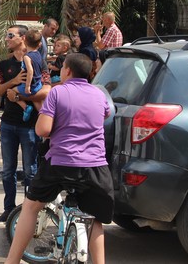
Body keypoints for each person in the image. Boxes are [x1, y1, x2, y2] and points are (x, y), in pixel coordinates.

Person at [6, 53, 114, 264]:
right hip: (96, 166)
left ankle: (11, 261)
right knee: (95, 220)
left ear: (68, 71)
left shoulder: (58, 93)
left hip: (60, 163)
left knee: (31, 207)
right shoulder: (99, 94)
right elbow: (106, 114)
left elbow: (43, 129)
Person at [0, 25, 51, 224]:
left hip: (30, 125)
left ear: (23, 38)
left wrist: (19, 94)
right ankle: (9, 209)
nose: (6, 39)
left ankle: (28, 213)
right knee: (8, 170)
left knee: (30, 171)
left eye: (10, 35)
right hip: (8, 123)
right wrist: (13, 81)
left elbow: (48, 90)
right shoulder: (5, 65)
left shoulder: (37, 61)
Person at [14, 29, 44, 122]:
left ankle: (25, 107)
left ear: (25, 40)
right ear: (39, 44)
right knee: (37, 101)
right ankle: (44, 116)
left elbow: (30, 71)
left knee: (12, 91)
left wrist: (27, 86)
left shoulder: (27, 57)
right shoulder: (38, 54)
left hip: (31, 85)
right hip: (38, 84)